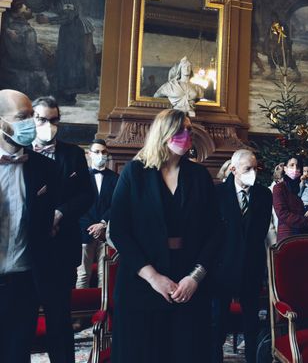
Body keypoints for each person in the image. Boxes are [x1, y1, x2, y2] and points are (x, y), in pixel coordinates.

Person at [109, 109, 222, 362]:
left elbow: (216, 231)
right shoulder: (134, 173)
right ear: (165, 132)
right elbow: (119, 229)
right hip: (142, 280)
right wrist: (153, 277)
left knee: (187, 351)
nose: (188, 134)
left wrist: (196, 276)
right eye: (182, 129)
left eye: (190, 129)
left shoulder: (199, 175)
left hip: (189, 279)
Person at [0, 89, 60, 363]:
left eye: (31, 117)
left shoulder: (44, 169)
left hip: (24, 282)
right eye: (22, 117)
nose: (30, 124)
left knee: (17, 354)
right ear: (2, 122)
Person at [31, 95, 93, 362]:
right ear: (31, 119)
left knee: (59, 319)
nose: (48, 125)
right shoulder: (18, 152)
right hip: (27, 252)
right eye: (42, 119)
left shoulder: (73, 153)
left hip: (60, 251)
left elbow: (86, 195)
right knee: (20, 320)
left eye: (54, 120)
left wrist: (61, 213)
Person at [211, 149, 272, 363]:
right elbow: (212, 234)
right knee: (217, 322)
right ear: (234, 170)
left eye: (255, 168)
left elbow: (260, 231)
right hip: (222, 268)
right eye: (248, 169)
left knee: (251, 323)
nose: (253, 173)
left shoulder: (264, 195)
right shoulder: (217, 194)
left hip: (251, 267)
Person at [35, 0, 97, 105]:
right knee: (63, 58)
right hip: (67, 30)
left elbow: (69, 16)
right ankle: (62, 90)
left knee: (73, 60)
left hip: (77, 29)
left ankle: (70, 93)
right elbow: (40, 6)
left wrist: (48, 20)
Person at [77, 139, 118, 289]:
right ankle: (81, 311)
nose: (101, 155)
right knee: (83, 274)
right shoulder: (80, 177)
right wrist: (91, 227)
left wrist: (102, 224)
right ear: (89, 154)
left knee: (105, 275)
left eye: (104, 152)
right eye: (97, 152)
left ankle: (103, 310)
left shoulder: (115, 178)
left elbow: (116, 205)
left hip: (106, 232)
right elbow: (78, 205)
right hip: (84, 231)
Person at [0, 0, 50, 96]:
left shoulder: (25, 4)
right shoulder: (8, 3)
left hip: (22, 40)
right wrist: (8, 31)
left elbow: (27, 17)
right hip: (8, 40)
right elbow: (4, 21)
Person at [272, 155, 308, 242]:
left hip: (307, 234)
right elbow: (282, 213)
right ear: (285, 168)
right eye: (292, 165)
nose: (295, 169)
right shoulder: (279, 187)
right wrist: (307, 221)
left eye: (298, 166)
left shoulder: (306, 185)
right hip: (288, 235)